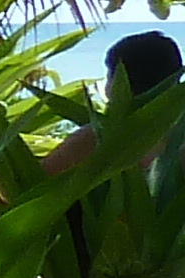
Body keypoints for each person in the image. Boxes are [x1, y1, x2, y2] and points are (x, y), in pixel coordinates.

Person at [43, 26, 183, 179]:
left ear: (119, 82)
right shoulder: (177, 140)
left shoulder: (96, 139)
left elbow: (31, 186)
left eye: (110, 76)